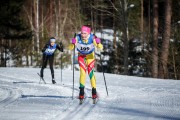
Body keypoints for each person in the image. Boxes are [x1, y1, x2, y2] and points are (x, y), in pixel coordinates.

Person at [69, 25, 103, 99]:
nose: (83, 35)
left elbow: (100, 48)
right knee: (82, 73)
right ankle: (81, 92)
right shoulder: (77, 37)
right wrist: (72, 43)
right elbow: (70, 48)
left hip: (90, 57)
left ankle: (94, 92)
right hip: (81, 57)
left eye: (85, 33)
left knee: (91, 73)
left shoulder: (92, 38)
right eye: (82, 33)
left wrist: (98, 43)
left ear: (88, 33)